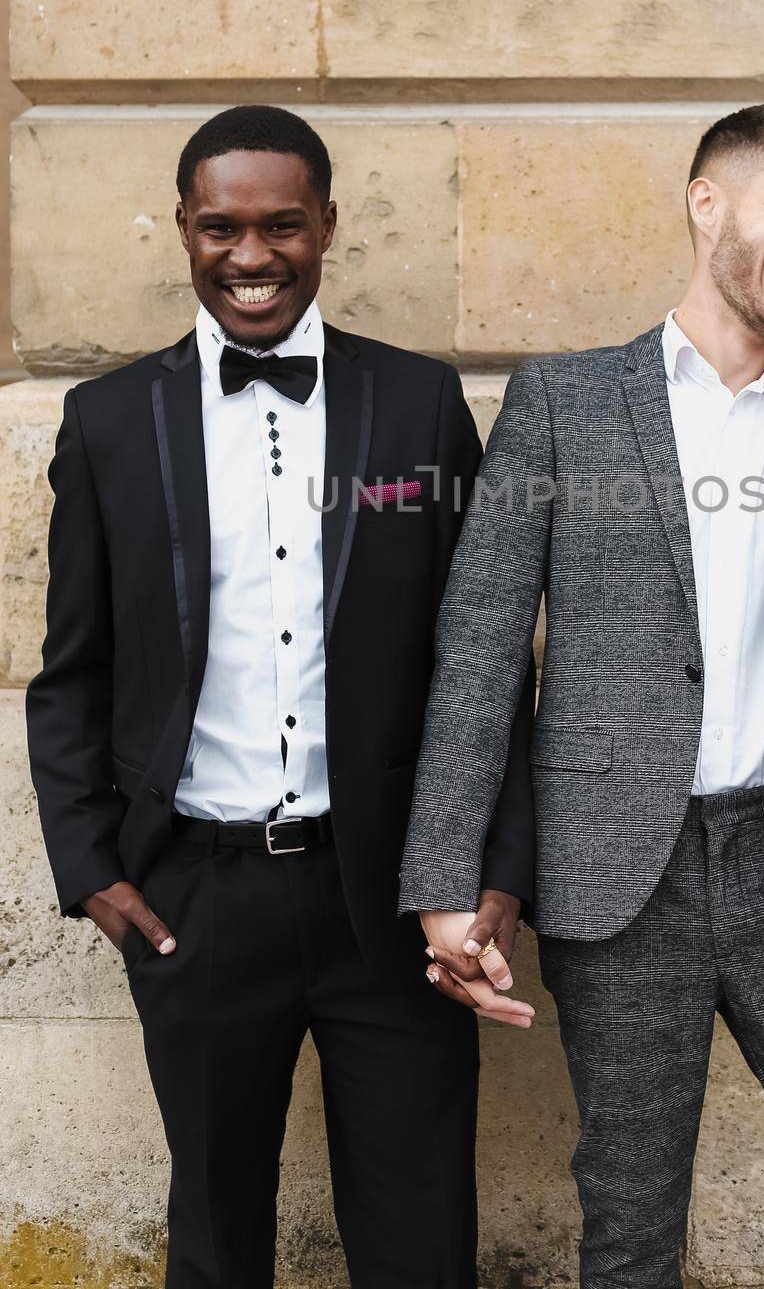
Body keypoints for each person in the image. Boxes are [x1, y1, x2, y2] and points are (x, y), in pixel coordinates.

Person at [400, 103, 764, 1289]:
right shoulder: (565, 403)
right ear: (708, 204)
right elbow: (481, 647)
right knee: (631, 1218)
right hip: (618, 871)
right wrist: (445, 879)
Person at [25, 104, 535, 1289]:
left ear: (325, 228)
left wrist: (493, 871)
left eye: (280, 226)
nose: (251, 256)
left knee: (419, 1248)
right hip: (194, 897)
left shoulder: (413, 406)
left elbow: (485, 659)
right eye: (222, 228)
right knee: (213, 1246)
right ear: (184, 230)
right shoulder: (108, 422)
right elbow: (73, 671)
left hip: (397, 902)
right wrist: (90, 864)